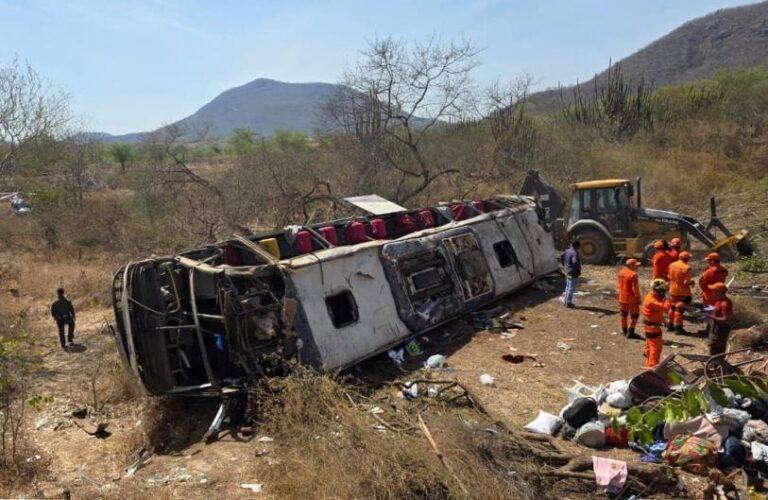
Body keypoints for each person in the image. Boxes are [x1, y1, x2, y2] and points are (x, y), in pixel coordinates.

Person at [642, 279, 670, 368]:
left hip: (650, 326)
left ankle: (649, 364)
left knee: (650, 346)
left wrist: (664, 320)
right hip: (652, 328)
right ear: (659, 291)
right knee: (656, 348)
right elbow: (666, 308)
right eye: (664, 291)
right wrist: (668, 297)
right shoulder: (652, 301)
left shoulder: (653, 297)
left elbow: (658, 311)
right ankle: (653, 367)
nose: (664, 293)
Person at [668, 251, 694, 335]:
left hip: (672, 290)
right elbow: (686, 282)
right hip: (682, 292)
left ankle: (670, 325)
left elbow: (668, 276)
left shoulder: (672, 265)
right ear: (687, 259)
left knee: (672, 307)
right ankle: (678, 328)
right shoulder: (687, 268)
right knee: (679, 310)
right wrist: (692, 282)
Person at [706, 282, 733, 356]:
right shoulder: (719, 300)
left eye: (714, 291)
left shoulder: (725, 304)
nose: (712, 292)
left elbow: (726, 319)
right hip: (716, 328)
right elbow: (716, 308)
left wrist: (712, 316)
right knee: (712, 346)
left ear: (719, 292)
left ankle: (717, 362)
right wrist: (706, 310)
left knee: (717, 349)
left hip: (721, 330)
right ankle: (713, 361)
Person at [618, 258, 642, 339]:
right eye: (636, 265)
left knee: (623, 314)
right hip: (631, 298)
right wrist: (638, 298)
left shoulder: (621, 272)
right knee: (634, 315)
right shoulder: (633, 275)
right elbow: (635, 289)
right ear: (631, 265)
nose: (637, 267)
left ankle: (624, 331)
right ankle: (630, 332)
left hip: (622, 297)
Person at [561, 240, 581, 308]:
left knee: (567, 287)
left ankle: (566, 301)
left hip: (567, 271)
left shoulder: (567, 251)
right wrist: (577, 270)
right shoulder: (575, 253)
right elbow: (575, 262)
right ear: (577, 246)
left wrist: (564, 265)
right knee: (571, 288)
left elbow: (562, 257)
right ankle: (568, 303)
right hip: (573, 273)